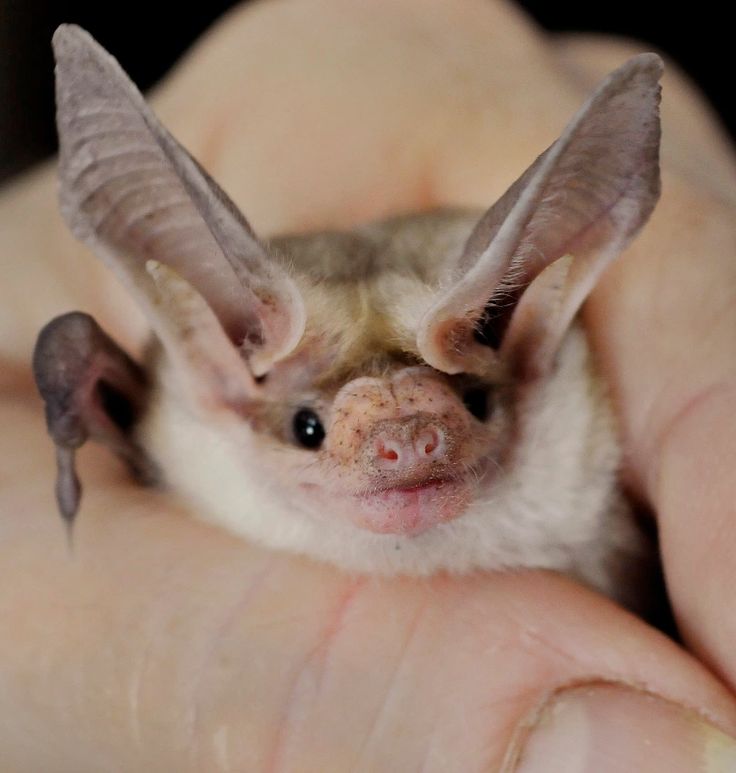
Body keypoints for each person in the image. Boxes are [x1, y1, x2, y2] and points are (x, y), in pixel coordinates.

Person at [1, 0, 735, 769]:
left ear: (526, 350)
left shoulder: (584, 420)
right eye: (311, 429)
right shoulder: (182, 433)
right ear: (218, 381)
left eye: (471, 400)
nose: (403, 452)